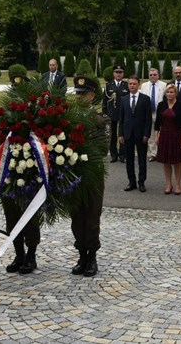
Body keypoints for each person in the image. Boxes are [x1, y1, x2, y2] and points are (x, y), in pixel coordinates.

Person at [2, 73, 41, 276]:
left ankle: (31, 255)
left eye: (20, 92)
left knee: (30, 216)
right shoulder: (5, 115)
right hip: (9, 173)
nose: (16, 96)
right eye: (14, 91)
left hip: (30, 174)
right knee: (12, 217)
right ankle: (18, 254)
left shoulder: (36, 114)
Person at [70, 75, 108, 277]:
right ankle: (81, 255)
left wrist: (79, 149)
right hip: (73, 174)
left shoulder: (100, 120)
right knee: (76, 216)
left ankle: (92, 256)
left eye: (83, 94)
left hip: (92, 175)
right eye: (77, 94)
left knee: (91, 216)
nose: (79, 97)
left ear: (93, 95)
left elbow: (102, 149)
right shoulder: (68, 118)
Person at [119, 75, 152, 192]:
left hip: (141, 134)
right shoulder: (124, 99)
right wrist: (120, 134)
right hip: (128, 133)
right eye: (130, 84)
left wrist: (146, 134)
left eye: (134, 84)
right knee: (129, 159)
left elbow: (148, 119)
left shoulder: (145, 99)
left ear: (138, 85)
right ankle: (131, 182)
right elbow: (121, 119)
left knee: (142, 159)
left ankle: (141, 182)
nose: (132, 86)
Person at [154, 84, 181, 195]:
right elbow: (157, 123)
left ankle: (178, 184)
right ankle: (168, 184)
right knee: (166, 162)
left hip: (177, 135)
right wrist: (156, 135)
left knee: (177, 162)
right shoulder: (161, 105)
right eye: (167, 92)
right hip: (164, 135)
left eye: (171, 92)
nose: (169, 94)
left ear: (176, 93)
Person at [140, 68, 166, 161]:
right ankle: (154, 153)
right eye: (151, 75)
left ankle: (162, 152)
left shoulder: (164, 85)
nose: (153, 76)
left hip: (160, 113)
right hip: (148, 113)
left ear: (158, 75)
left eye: (155, 74)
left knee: (161, 133)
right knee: (150, 134)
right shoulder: (144, 86)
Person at [103, 65, 127, 163]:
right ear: (113, 73)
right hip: (111, 113)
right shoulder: (108, 85)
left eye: (120, 72)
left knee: (122, 134)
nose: (118, 74)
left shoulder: (126, 85)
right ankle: (113, 154)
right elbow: (104, 101)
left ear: (123, 74)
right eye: (117, 72)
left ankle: (122, 155)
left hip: (123, 114)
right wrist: (104, 113)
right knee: (112, 135)